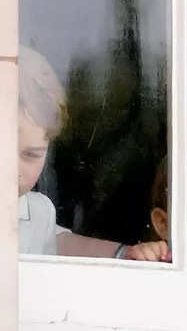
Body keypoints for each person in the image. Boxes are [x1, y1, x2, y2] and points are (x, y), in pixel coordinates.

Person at [18, 45, 167, 260]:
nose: (11, 168)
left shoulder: (37, 211)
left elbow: (61, 243)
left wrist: (123, 254)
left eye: (31, 155)